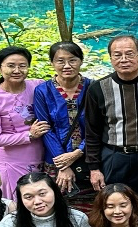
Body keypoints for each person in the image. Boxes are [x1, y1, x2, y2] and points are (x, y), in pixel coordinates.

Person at [84, 34, 138, 226]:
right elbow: (92, 131)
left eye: (130, 54)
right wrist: (94, 168)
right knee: (114, 205)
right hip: (114, 157)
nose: (124, 59)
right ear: (110, 58)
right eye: (117, 55)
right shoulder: (98, 89)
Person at [0, 46, 52, 193]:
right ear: (0, 68)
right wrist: (29, 135)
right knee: (18, 205)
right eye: (11, 66)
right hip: (12, 162)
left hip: (44, 157)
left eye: (22, 66)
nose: (17, 70)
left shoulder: (37, 86)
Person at [33, 42, 93, 204]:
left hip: (89, 157)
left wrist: (78, 152)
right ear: (52, 63)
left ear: (81, 61)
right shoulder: (43, 91)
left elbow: (98, 127)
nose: (67, 65)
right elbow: (45, 129)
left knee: (91, 206)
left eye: (72, 60)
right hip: (55, 160)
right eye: (60, 61)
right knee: (56, 205)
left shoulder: (93, 88)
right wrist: (63, 165)